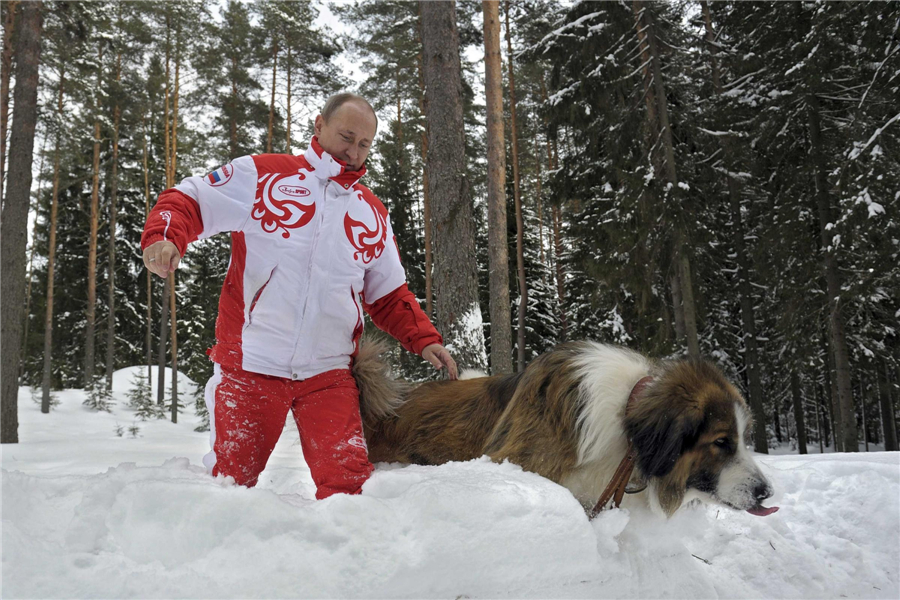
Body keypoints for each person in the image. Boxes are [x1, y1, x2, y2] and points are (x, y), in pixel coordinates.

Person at [141, 92, 457, 499]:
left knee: (349, 490)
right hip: (252, 365)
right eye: (346, 136)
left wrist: (425, 339)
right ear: (319, 126)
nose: (353, 152)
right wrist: (165, 237)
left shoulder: (370, 211)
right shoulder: (264, 175)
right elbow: (189, 199)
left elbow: (388, 293)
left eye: (364, 144)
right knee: (229, 487)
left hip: (327, 374)